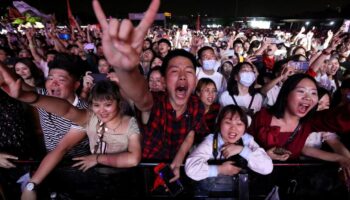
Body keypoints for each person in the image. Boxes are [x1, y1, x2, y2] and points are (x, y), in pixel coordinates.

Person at [91, 0, 207, 182]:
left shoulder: (196, 105)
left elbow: (191, 132)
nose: (183, 76)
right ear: (164, 80)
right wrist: (125, 70)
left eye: (189, 71)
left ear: (196, 80)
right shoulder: (155, 102)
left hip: (175, 172)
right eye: (175, 71)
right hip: (145, 174)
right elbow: (141, 97)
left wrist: (178, 160)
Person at [248, 73, 350, 162]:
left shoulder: (309, 122)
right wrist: (263, 156)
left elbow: (338, 118)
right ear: (286, 94)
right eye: (301, 91)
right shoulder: (262, 117)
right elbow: (242, 148)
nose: (308, 97)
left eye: (313, 93)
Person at [185, 105, 272, 196]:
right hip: (209, 192)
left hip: (239, 192)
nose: (233, 128)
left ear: (245, 128)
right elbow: (190, 169)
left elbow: (267, 168)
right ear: (219, 124)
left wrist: (242, 150)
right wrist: (219, 169)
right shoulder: (211, 141)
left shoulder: (247, 141)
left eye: (239, 124)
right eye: (228, 122)